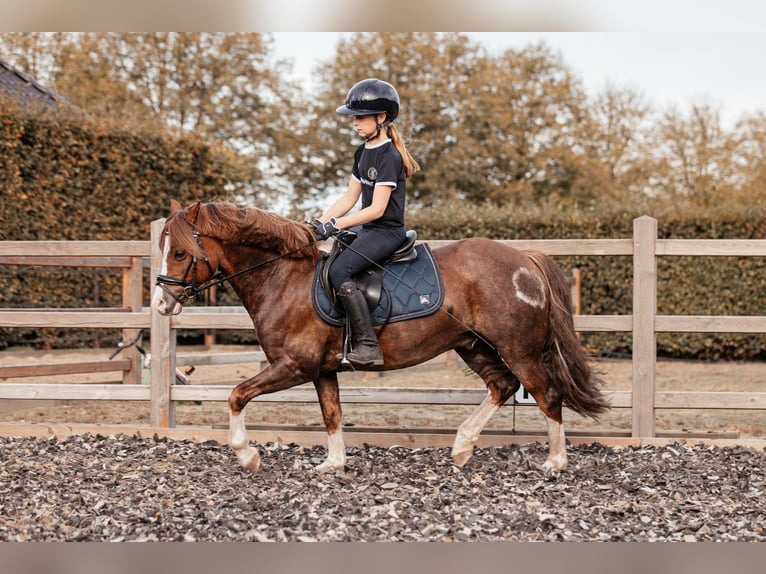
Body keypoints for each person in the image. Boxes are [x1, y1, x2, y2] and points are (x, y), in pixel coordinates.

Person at [310, 78, 420, 367]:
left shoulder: (389, 156)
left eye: (360, 117)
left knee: (338, 272)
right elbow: (350, 197)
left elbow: (376, 209)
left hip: (387, 231)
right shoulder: (362, 152)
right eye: (354, 118)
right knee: (330, 257)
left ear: (381, 118)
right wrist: (318, 223)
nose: (355, 123)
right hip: (369, 228)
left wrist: (336, 224)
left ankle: (369, 346)